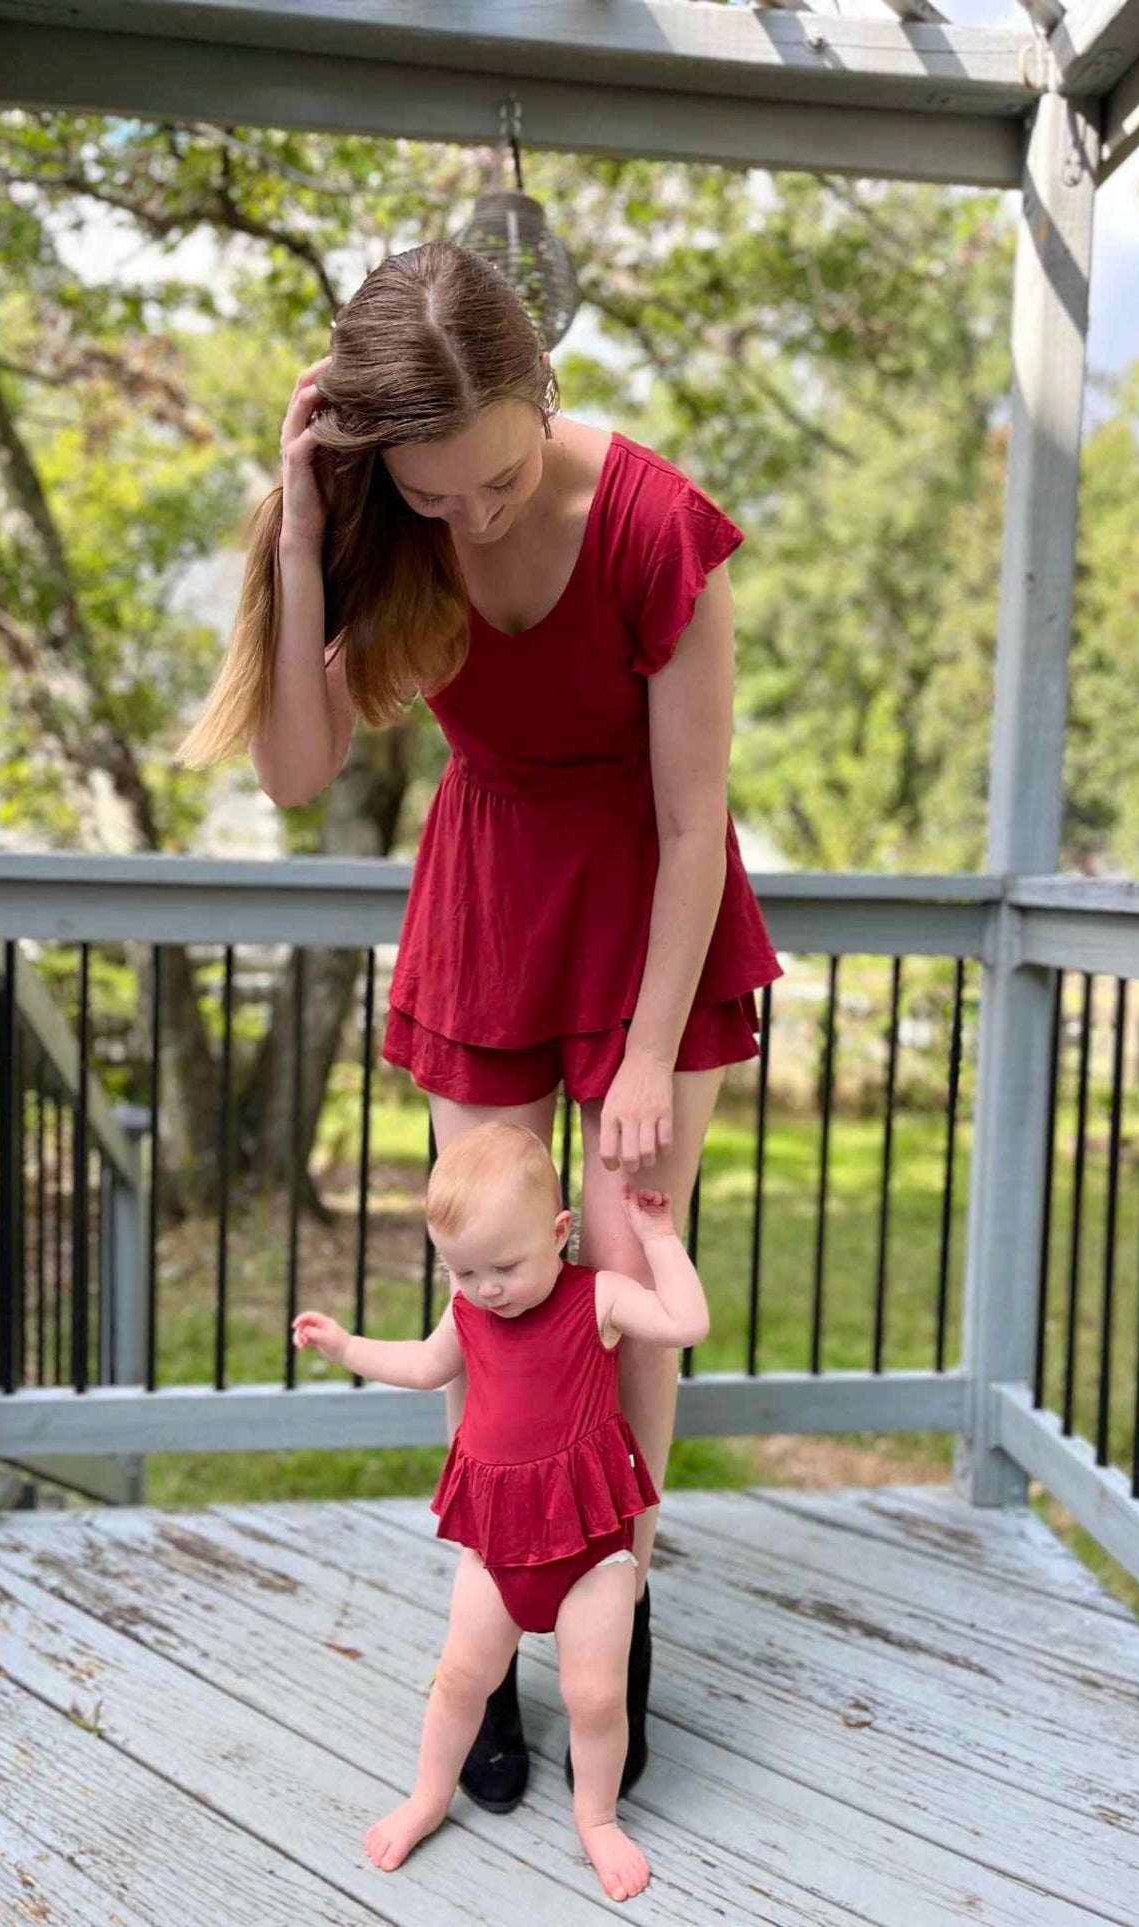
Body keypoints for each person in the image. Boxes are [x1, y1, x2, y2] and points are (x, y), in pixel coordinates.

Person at [178, 239, 781, 1810]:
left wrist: (650, 1053)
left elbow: (695, 811)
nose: (471, 519)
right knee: (504, 1264)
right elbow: (296, 773)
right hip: (494, 892)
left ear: (544, 391)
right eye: (432, 497)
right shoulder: (390, 514)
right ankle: (500, 1622)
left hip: (653, 898)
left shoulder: (656, 525)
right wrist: (310, 536)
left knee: (632, 1256)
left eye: (496, 482)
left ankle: (616, 1595)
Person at [291, 1121, 711, 1902]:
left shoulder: (600, 1298)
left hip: (590, 1548)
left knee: (595, 1695)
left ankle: (596, 1818)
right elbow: (422, 1365)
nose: (485, 1287)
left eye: (505, 1266)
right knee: (459, 1678)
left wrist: (658, 1237)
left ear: (559, 1232)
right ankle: (426, 1795)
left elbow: (686, 1324)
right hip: (497, 1542)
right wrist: (345, 1346)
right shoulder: (469, 1311)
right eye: (462, 1269)